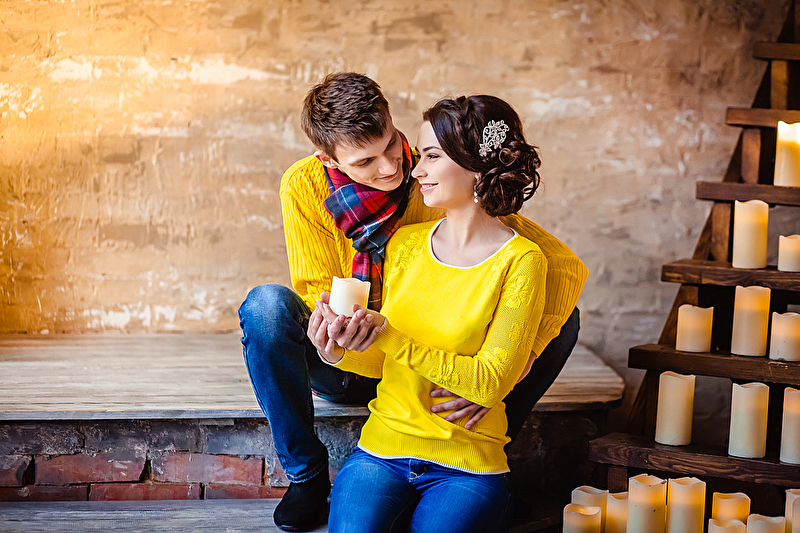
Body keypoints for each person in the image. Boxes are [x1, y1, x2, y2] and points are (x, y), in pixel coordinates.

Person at [238, 73, 587, 532]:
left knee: (561, 318)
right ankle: (306, 476)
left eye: (391, 144)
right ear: (329, 159)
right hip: (354, 355)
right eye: (365, 161)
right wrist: (336, 343)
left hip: (428, 365)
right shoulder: (304, 186)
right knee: (265, 308)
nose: (391, 168)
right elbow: (320, 293)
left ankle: (484, 446)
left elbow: (562, 266)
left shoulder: (438, 177)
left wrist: (512, 368)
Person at [314, 94, 549, 533]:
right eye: (420, 156)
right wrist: (336, 349)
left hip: (468, 465)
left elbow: (489, 382)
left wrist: (386, 334)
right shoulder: (404, 244)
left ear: (476, 166)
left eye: (432, 157)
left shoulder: (522, 261)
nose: (416, 170)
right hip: (381, 451)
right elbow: (384, 360)